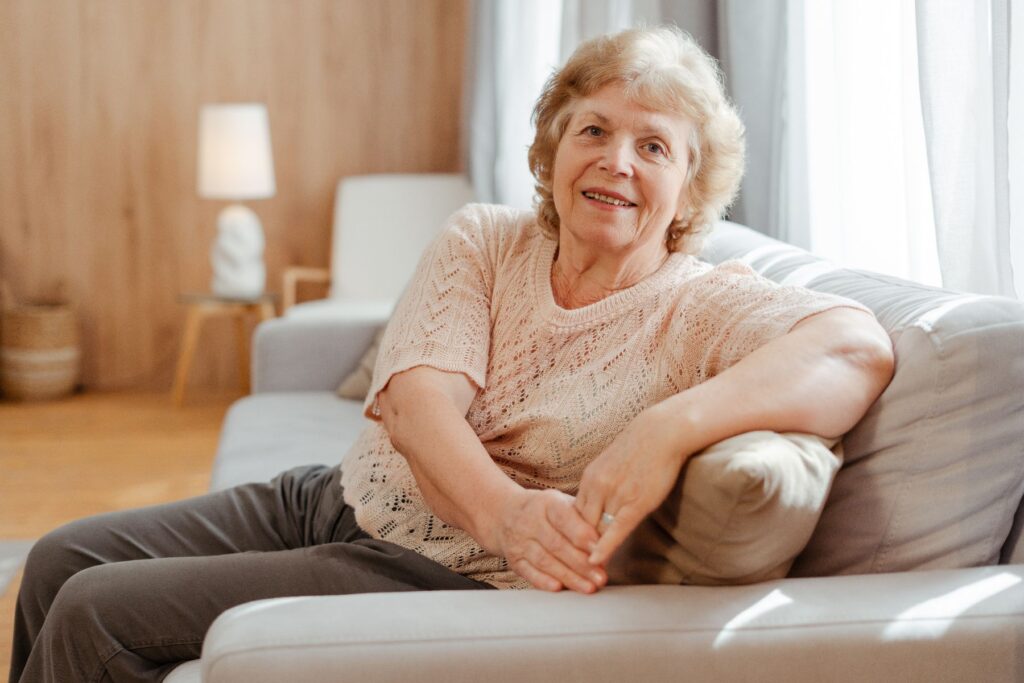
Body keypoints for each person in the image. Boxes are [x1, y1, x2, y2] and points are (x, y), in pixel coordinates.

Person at [9, 25, 894, 682]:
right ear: (552, 150)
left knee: (96, 614)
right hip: (328, 495)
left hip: (427, 570)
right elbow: (419, 405)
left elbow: (856, 346)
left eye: (653, 146)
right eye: (592, 130)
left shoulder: (704, 305)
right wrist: (511, 512)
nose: (616, 161)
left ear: (690, 188)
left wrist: (672, 425)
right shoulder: (485, 238)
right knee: (57, 558)